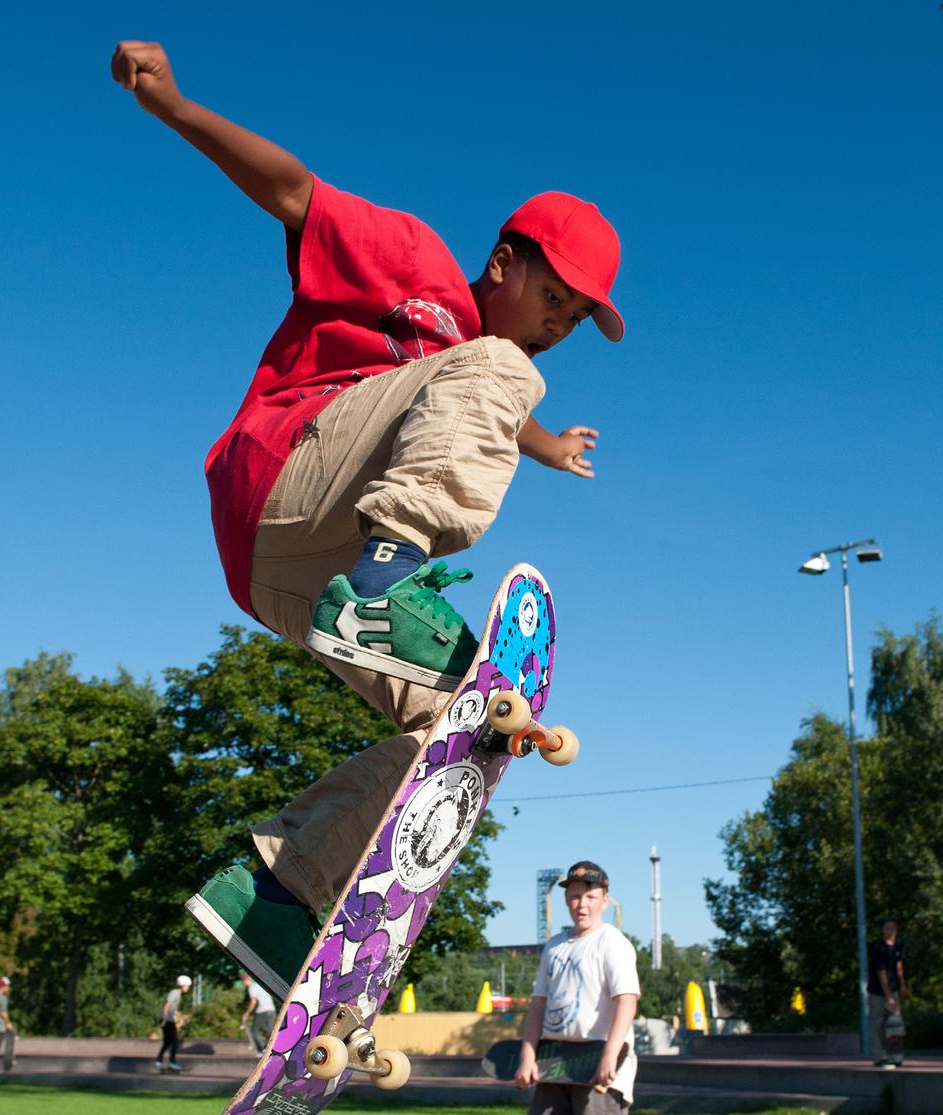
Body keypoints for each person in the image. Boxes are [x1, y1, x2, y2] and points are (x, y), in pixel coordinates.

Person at [110, 42, 627, 1006]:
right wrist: (174, 106)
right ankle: (388, 583)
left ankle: (276, 891)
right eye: (549, 297)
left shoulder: (480, 375)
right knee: (498, 367)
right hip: (285, 476)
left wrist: (546, 446)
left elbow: (489, 408)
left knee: (468, 740)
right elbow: (295, 192)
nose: (552, 323)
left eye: (571, 318)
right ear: (502, 260)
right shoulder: (415, 262)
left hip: (292, 578)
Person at [493, 861, 640, 1115]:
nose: (582, 904)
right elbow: (538, 1005)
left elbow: (626, 1000)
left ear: (604, 900)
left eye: (590, 896)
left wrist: (611, 1054)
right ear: (566, 899)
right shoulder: (555, 947)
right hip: (554, 1059)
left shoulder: (613, 943)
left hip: (599, 1061)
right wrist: (527, 1053)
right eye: (574, 896)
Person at [868, 918, 907, 1068]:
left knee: (895, 1023)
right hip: (877, 991)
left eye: (893, 928)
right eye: (887, 928)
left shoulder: (898, 943)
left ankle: (895, 1055)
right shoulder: (878, 947)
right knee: (877, 1023)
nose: (890, 931)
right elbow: (881, 972)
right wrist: (888, 996)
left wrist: (902, 984)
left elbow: (898, 964)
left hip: (893, 988)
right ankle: (879, 1056)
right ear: (882, 930)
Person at [156, 975, 192, 1072]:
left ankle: (158, 1061)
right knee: (175, 1041)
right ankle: (172, 1062)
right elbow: (167, 1005)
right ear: (182, 985)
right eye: (187, 986)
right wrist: (164, 1019)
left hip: (168, 1019)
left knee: (168, 1042)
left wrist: (179, 1014)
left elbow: (171, 1008)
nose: (188, 988)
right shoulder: (175, 993)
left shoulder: (177, 993)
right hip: (167, 1020)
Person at [240, 972, 277, 1055]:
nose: (243, 984)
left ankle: (261, 1049)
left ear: (245, 980)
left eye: (242, 982)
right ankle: (273, 1050)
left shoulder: (251, 987)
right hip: (271, 1009)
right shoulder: (259, 986)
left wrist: (247, 1013)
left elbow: (253, 1002)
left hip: (262, 1010)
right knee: (269, 1032)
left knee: (254, 1031)